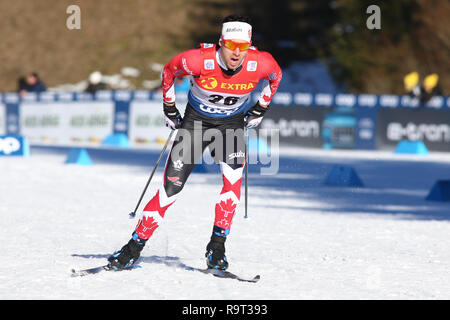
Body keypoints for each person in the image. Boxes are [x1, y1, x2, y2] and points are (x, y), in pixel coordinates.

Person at [107, 14, 282, 271]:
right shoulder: (198, 60)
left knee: (232, 184)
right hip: (195, 124)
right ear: (220, 42)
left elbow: (276, 77)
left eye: (242, 47)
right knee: (170, 191)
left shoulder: (261, 62)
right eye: (231, 45)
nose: (236, 53)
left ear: (250, 46)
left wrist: (260, 108)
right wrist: (169, 108)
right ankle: (132, 249)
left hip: (230, 125)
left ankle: (217, 248)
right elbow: (169, 71)